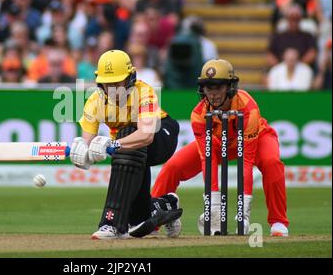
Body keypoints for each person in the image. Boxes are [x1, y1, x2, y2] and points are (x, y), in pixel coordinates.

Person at [152, 59, 289, 237]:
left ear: (230, 87)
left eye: (218, 87)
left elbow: (245, 162)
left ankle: (278, 221)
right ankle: (151, 218)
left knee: (272, 163)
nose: (214, 94)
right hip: (218, 142)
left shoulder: (248, 107)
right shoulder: (198, 114)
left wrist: (243, 213)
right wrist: (213, 207)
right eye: (209, 87)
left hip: (257, 139)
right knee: (172, 167)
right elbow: (207, 161)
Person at [69, 50, 183, 240]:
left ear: (130, 78)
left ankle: (111, 223)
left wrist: (111, 144)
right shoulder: (95, 101)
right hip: (129, 151)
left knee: (128, 134)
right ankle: (166, 204)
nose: (112, 89)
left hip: (161, 136)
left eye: (117, 83)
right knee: (139, 217)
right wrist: (82, 153)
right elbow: (87, 142)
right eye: (107, 83)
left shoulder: (143, 91)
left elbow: (146, 136)